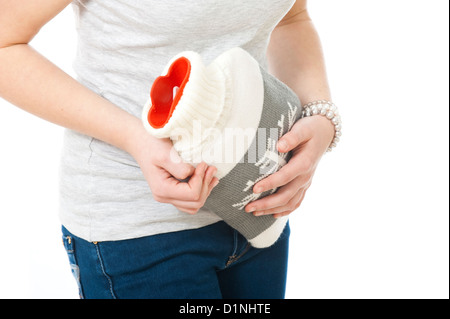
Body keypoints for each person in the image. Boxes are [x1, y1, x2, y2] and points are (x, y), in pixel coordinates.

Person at [0, 0, 338, 299]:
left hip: (259, 210)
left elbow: (292, 18)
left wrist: (319, 113)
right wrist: (136, 138)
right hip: (139, 229)